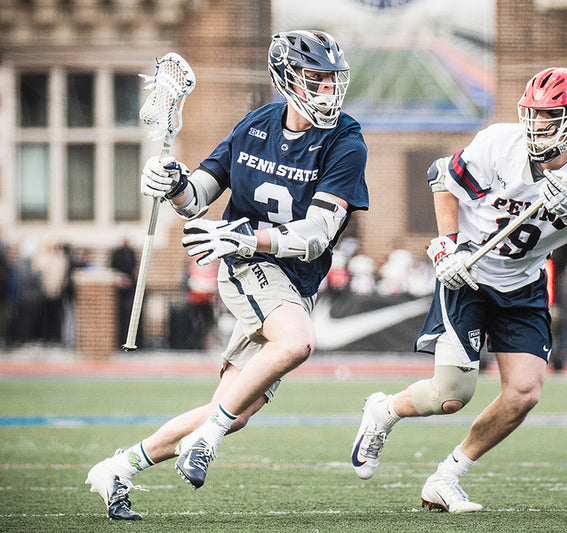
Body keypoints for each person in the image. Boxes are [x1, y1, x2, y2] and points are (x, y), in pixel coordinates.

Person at [86, 30, 368, 521]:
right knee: (298, 342)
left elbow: (319, 234)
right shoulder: (254, 125)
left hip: (286, 272)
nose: (327, 90)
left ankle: (119, 467)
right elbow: (197, 197)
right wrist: (172, 184)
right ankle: (206, 439)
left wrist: (245, 236)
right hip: (246, 268)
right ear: (286, 78)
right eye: (316, 78)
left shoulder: (345, 141)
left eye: (332, 80)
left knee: (236, 409)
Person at [350, 68, 567, 512]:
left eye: (551, 117)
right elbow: (441, 178)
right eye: (534, 115)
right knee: (451, 396)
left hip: (523, 283)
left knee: (524, 392)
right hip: (470, 274)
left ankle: (446, 477)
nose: (538, 127)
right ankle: (383, 412)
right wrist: (448, 244)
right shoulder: (500, 144)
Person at [109, 238, 137, 346]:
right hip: (118, 291)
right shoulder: (116, 253)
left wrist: (130, 280)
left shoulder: (131, 253)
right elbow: (112, 269)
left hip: (130, 290)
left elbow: (134, 269)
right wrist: (120, 279)